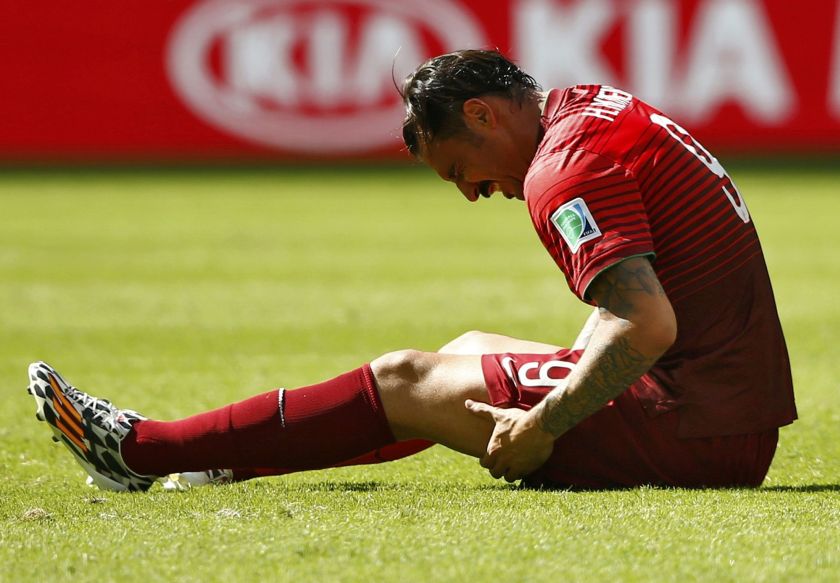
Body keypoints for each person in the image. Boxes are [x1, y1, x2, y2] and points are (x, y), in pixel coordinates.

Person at [28, 49, 796, 492]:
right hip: (726, 411)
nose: (470, 193)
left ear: (481, 115)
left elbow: (646, 321)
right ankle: (225, 459)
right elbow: (646, 301)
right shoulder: (595, 108)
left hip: (699, 428)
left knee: (402, 379)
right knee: (463, 352)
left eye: (460, 169)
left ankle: (143, 451)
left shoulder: (560, 172)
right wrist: (559, 387)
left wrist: (545, 422)